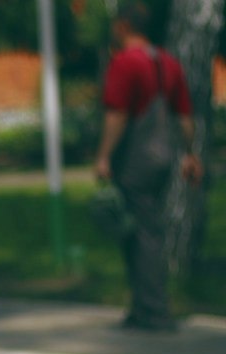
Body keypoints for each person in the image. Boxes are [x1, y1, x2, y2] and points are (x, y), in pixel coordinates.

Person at [93, 2, 203, 332]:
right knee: (141, 228)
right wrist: (189, 154)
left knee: (143, 232)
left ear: (124, 26)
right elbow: (184, 116)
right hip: (164, 155)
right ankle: (142, 307)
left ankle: (153, 310)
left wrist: (104, 155)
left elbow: (117, 115)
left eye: (116, 24)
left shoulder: (124, 63)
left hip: (135, 158)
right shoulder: (168, 63)